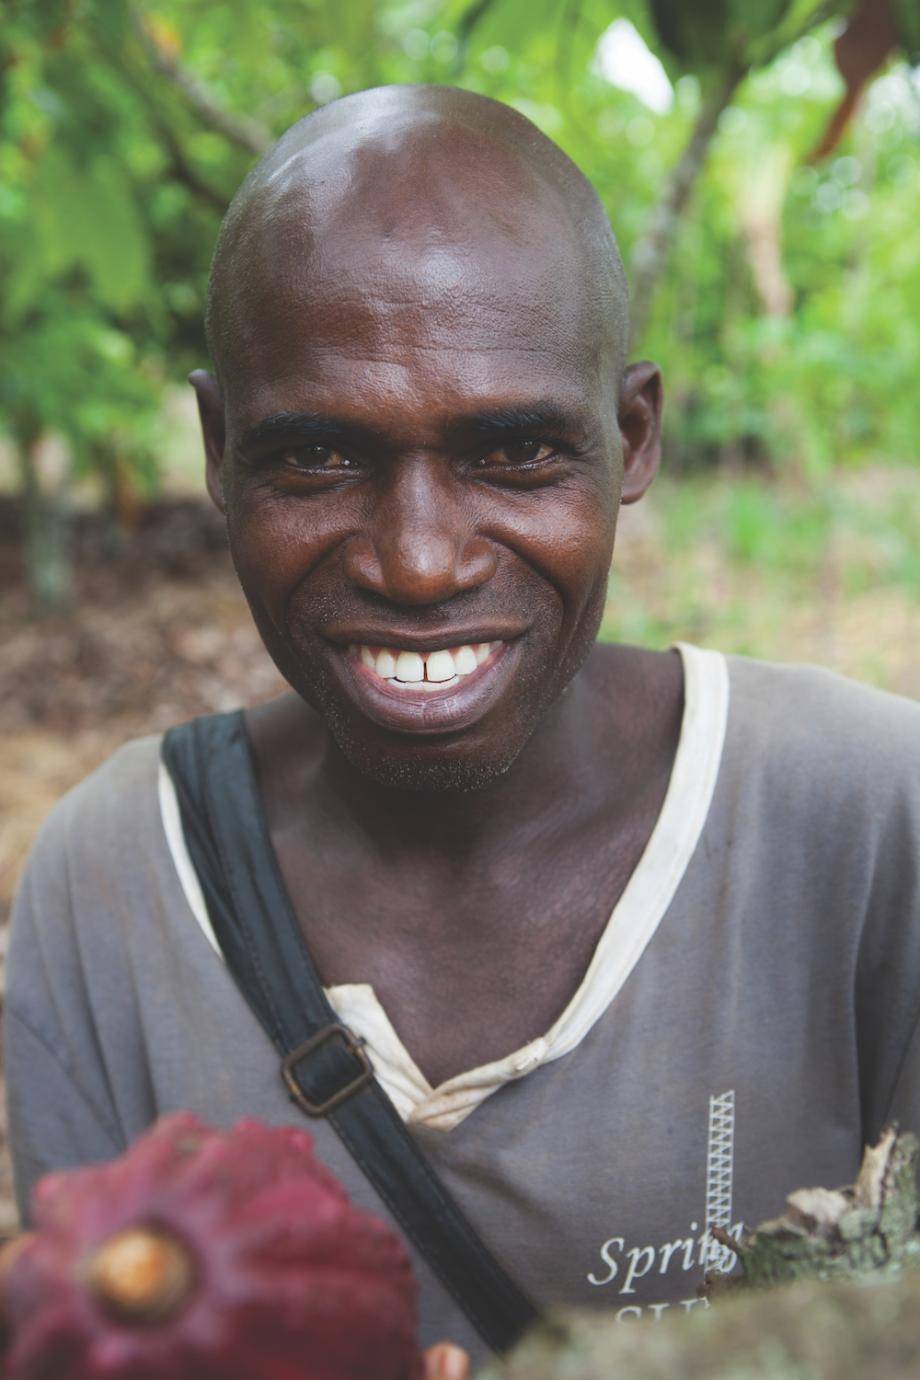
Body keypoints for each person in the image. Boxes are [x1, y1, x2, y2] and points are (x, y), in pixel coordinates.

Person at [5, 84, 920, 1370]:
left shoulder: (874, 823)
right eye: (317, 459)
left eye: (514, 455)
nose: (420, 563)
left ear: (631, 436)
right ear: (219, 453)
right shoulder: (114, 884)